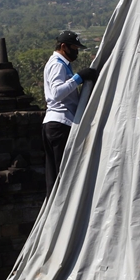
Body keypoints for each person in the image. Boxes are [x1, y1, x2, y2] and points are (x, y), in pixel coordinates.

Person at [42, 30, 98, 194]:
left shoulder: (62, 64)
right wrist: (78, 78)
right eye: (74, 48)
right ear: (63, 46)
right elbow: (57, 93)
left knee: (55, 176)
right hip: (60, 124)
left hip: (56, 124)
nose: (76, 51)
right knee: (63, 174)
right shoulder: (57, 64)